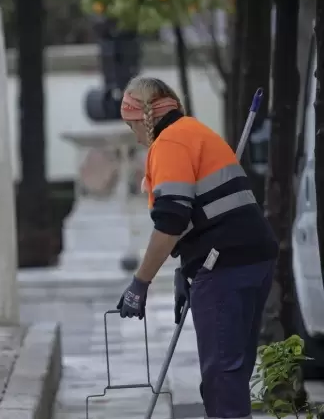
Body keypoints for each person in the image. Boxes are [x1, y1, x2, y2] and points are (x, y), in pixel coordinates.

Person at [115, 76, 278, 418]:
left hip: (225, 264)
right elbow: (200, 212)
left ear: (142, 118)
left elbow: (171, 221)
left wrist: (140, 283)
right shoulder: (193, 131)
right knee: (232, 372)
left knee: (221, 379)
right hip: (251, 257)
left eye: (132, 126)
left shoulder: (170, 144)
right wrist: (185, 268)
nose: (135, 135)